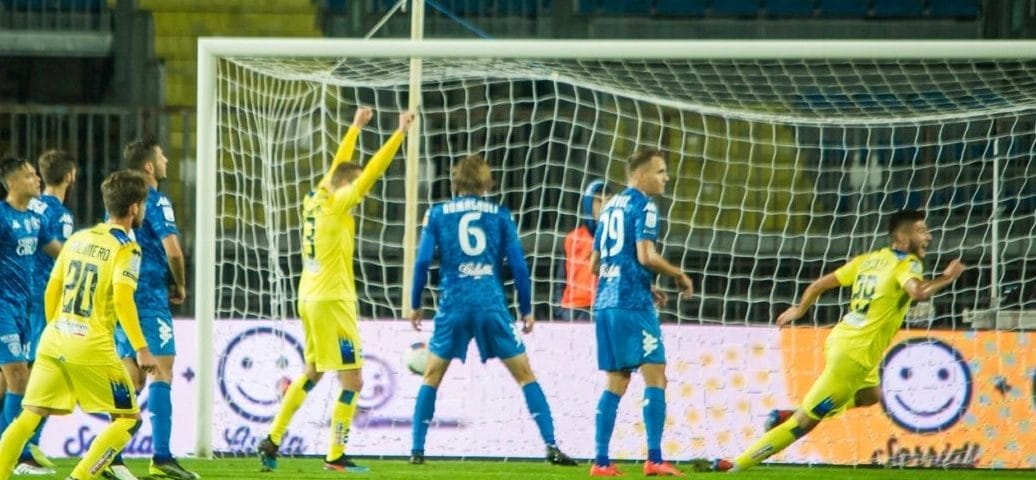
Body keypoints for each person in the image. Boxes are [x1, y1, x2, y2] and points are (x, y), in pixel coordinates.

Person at [704, 210, 965, 472]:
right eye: (922, 231)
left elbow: (817, 285)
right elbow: (918, 292)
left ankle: (792, 413)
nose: (928, 237)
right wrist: (948, 277)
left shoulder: (868, 260)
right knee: (804, 423)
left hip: (842, 338)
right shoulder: (908, 264)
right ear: (902, 237)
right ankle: (735, 464)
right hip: (855, 356)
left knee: (871, 394)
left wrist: (799, 309)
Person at [258, 108, 415, 473]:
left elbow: (337, 167)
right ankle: (335, 455)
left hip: (308, 297)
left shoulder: (314, 198)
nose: (359, 196)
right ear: (346, 186)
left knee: (312, 371)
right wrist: (399, 134)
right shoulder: (338, 203)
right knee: (353, 380)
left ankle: (272, 439)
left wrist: (355, 127)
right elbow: (372, 172)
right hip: (332, 300)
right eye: (354, 188)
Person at [406, 153, 578, 467]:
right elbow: (519, 266)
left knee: (431, 376)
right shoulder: (500, 215)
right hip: (491, 305)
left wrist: (415, 303)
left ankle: (417, 450)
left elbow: (422, 262)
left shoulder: (437, 214)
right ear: (487, 182)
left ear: (455, 181)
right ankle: (551, 445)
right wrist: (526, 308)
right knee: (525, 375)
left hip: (454, 305)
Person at [0, 169, 157, 480]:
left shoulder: (78, 239)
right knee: (129, 418)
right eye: (143, 206)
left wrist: (58, 328)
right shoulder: (127, 249)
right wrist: (141, 348)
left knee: (30, 414)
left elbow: (51, 290)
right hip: (92, 345)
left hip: (55, 338)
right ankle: (80, 477)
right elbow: (123, 300)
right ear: (134, 207)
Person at [589, 149, 694, 477]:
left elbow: (595, 265)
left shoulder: (609, 207)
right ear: (641, 175)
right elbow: (646, 255)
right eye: (660, 171)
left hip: (605, 303)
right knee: (656, 374)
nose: (666, 178)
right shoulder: (645, 206)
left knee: (617, 380)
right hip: (632, 306)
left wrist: (645, 285)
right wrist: (678, 274)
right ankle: (654, 458)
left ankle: (601, 462)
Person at [112, 138, 192, 479]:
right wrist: (181, 284)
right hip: (148, 297)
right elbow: (173, 250)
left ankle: (111, 456)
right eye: (161, 156)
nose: (166, 160)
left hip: (121, 295)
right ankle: (161, 458)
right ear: (149, 166)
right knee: (162, 369)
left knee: (131, 375)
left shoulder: (118, 200)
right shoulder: (155, 200)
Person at [16, 150, 77, 472]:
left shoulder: (29, 206)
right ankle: (22, 448)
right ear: (70, 176)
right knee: (39, 373)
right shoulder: (60, 214)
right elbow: (63, 259)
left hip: (18, 295)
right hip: (44, 300)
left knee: (15, 371)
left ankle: (21, 444)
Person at [0, 156, 61, 475]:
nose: (36, 179)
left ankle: (5, 448)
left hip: (23, 309)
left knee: (7, 381)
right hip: (2, 308)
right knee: (19, 377)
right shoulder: (1, 216)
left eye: (36, 174)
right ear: (11, 183)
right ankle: (19, 455)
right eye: (28, 175)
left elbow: (59, 251)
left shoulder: (36, 220)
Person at [555, 179, 609, 321]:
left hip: (605, 307)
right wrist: (559, 309)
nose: (605, 205)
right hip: (573, 310)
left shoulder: (618, 238)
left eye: (608, 200)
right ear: (588, 205)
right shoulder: (572, 238)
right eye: (599, 201)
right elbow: (561, 280)